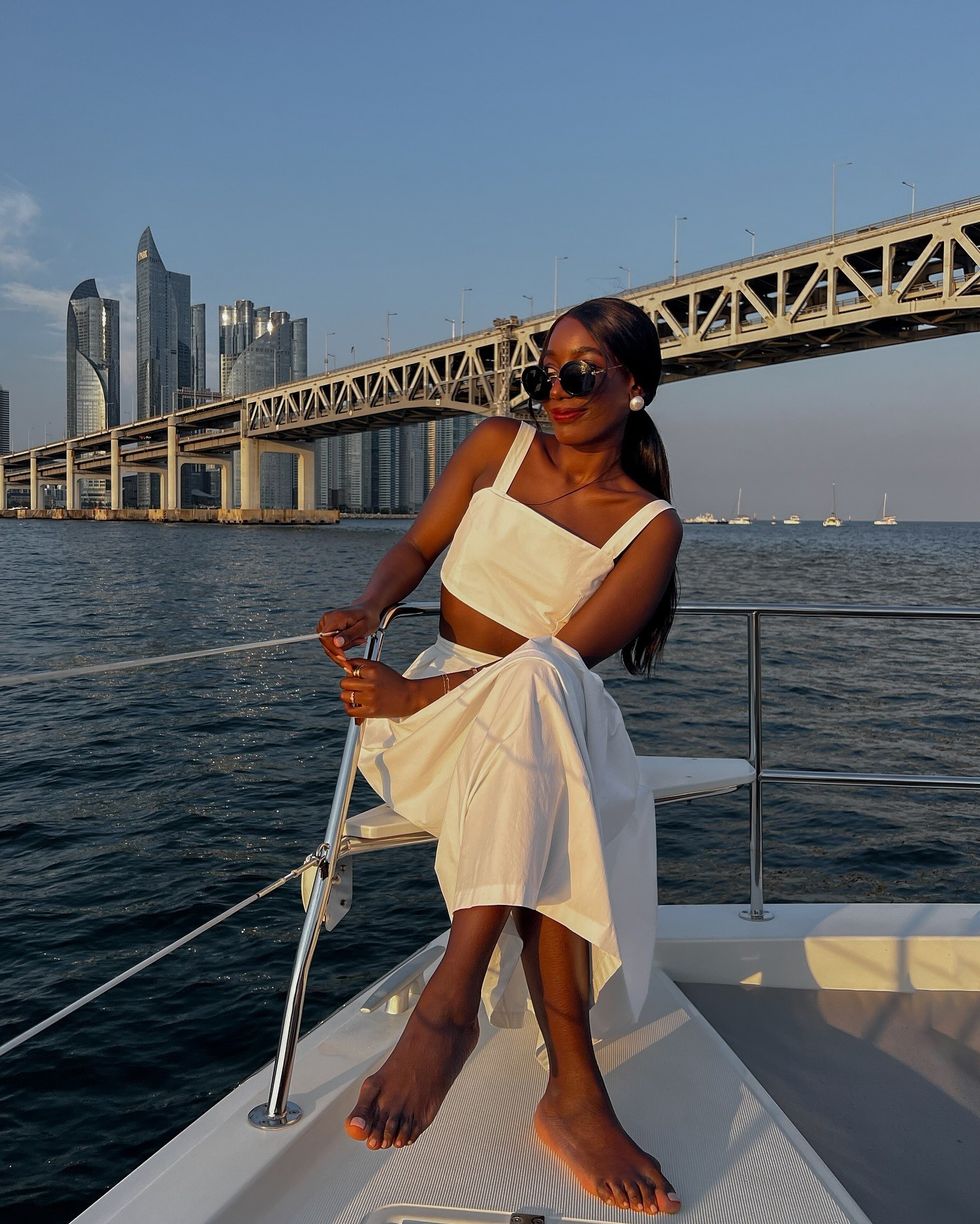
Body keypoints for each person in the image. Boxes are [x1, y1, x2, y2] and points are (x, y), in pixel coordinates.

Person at [317, 296, 683, 1216]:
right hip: (439, 723)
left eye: (581, 372)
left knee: (538, 690)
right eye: (544, 373)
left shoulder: (649, 527)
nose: (556, 391)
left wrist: (407, 694)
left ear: (634, 385)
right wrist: (369, 607)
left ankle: (453, 1007)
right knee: (556, 775)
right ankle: (572, 1090)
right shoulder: (496, 447)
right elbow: (416, 545)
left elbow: (562, 662)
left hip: (530, 711)